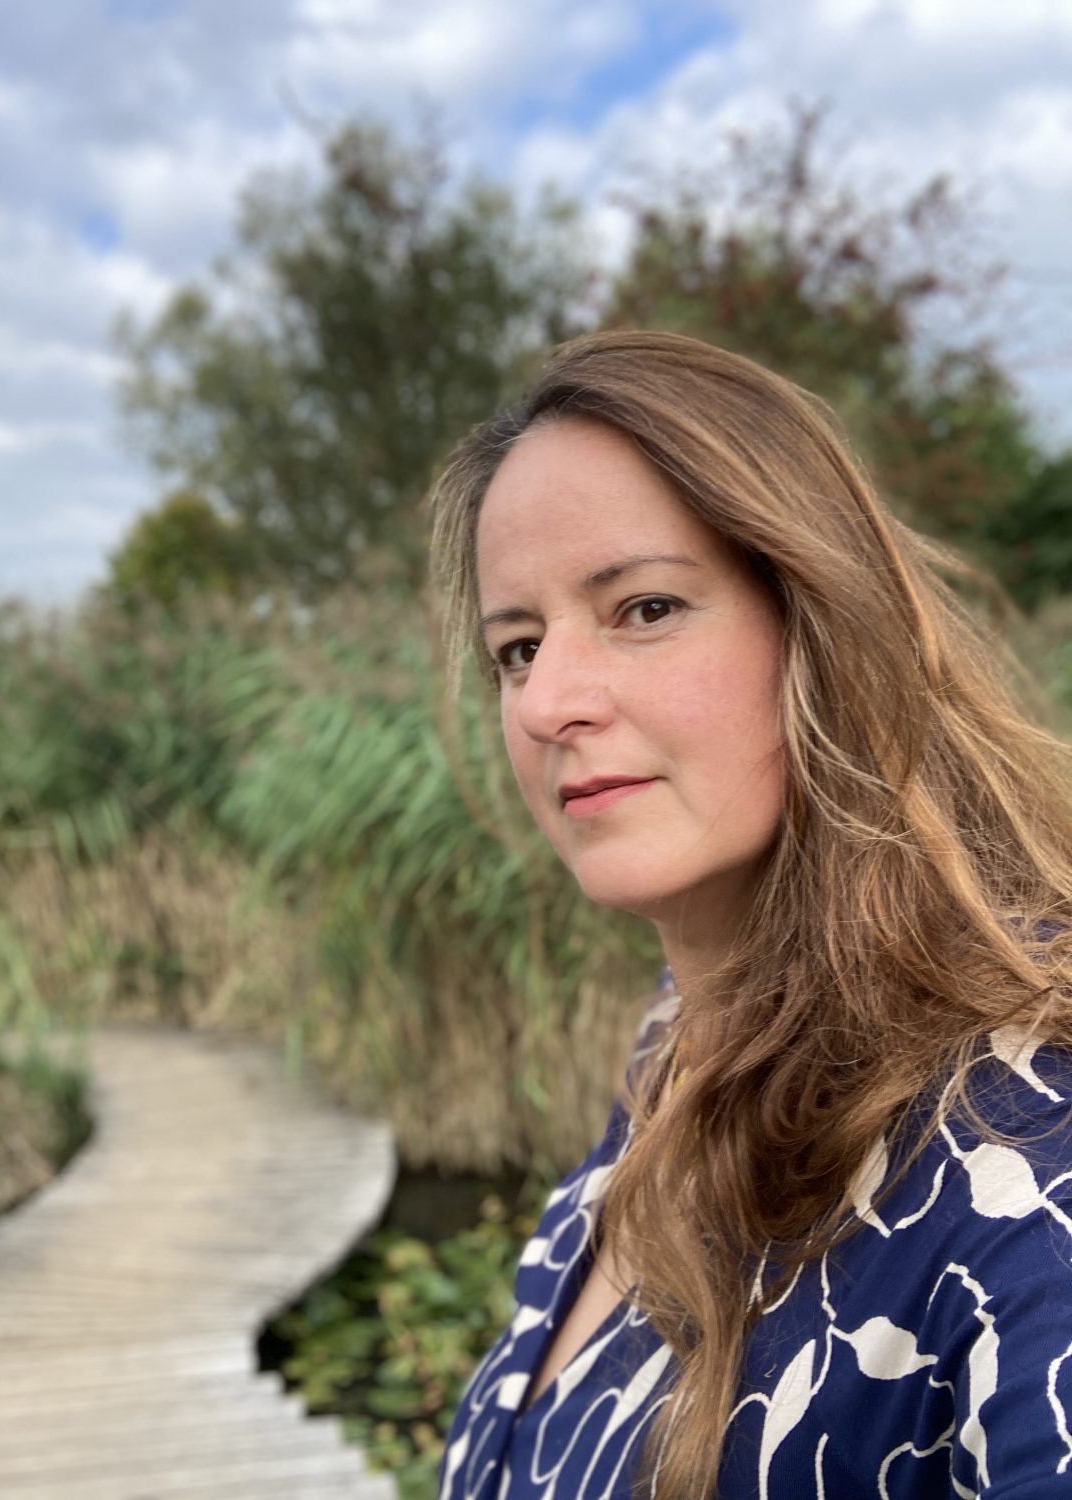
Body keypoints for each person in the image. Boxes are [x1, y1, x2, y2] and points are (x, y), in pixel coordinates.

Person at [428, 329, 1072, 1499]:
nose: (545, 703)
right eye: (516, 648)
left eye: (643, 607)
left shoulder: (1019, 1164)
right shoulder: (674, 1042)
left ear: (820, 623)